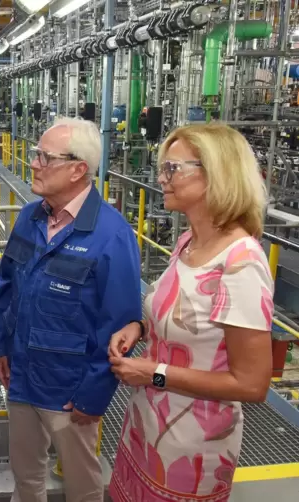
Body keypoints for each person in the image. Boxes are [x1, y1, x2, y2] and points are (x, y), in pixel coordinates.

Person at [108, 123, 274, 502]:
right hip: (147, 426)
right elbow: (186, 317)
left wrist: (155, 373)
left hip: (192, 446)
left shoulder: (240, 262)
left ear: (215, 173)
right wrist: (140, 327)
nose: (161, 178)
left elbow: (252, 384)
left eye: (173, 169)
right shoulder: (188, 242)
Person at [0, 117, 142, 502]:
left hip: (69, 389)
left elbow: (120, 322)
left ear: (78, 170)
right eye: (35, 154)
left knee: (82, 483)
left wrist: (94, 393)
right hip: (21, 376)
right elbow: (7, 285)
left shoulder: (111, 234)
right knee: (25, 476)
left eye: (45, 157)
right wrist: (0, 345)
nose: (34, 163)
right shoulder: (29, 217)